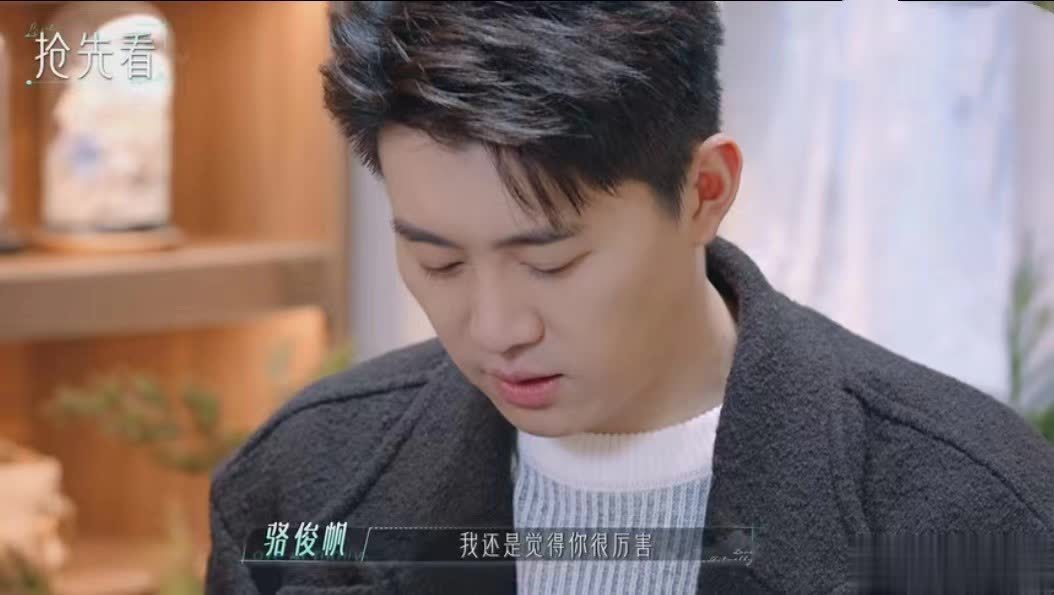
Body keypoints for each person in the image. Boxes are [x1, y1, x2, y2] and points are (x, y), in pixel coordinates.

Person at [205, 2, 1054, 594]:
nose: (496, 329)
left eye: (552, 262)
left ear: (704, 191)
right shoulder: (297, 482)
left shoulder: (964, 501)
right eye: (440, 262)